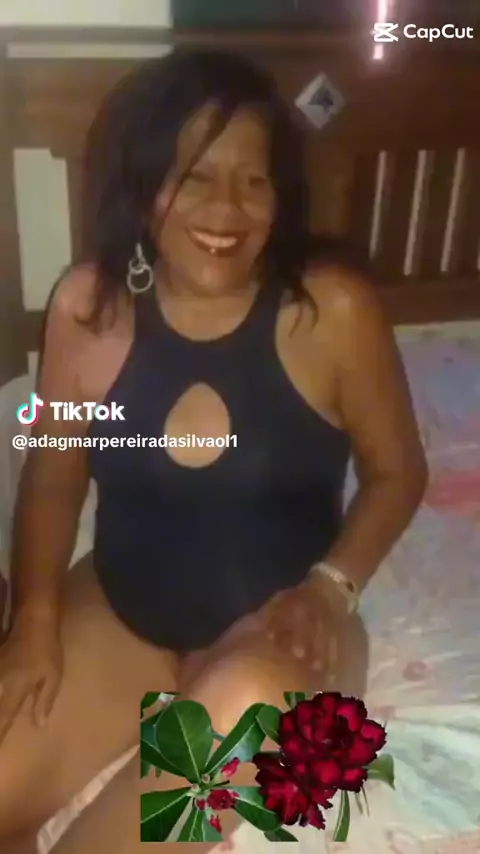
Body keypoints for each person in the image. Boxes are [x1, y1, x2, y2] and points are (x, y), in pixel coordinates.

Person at [0, 48, 427, 854]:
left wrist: (332, 587)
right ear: (142, 184)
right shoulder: (86, 306)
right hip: (121, 615)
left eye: (253, 179)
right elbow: (53, 476)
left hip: (283, 641)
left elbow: (398, 472)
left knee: (244, 714)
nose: (227, 208)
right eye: (194, 176)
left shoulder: (332, 309)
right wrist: (35, 621)